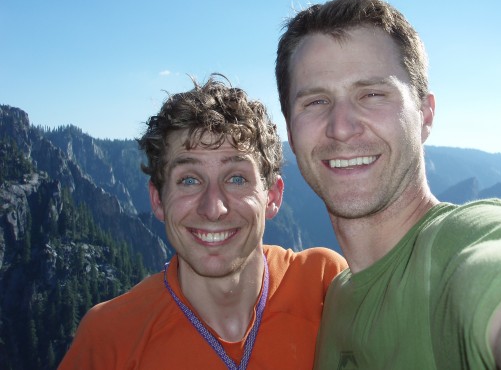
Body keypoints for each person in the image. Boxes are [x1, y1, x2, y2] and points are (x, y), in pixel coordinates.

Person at [275, 0, 501, 369]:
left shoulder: (457, 248)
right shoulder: (336, 300)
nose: (342, 127)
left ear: (425, 115)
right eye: (315, 102)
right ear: (291, 132)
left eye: (372, 94)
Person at [59, 75, 347, 370]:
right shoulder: (108, 338)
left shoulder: (325, 285)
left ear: (272, 195)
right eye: (189, 180)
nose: (213, 208)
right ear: (158, 200)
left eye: (236, 178)